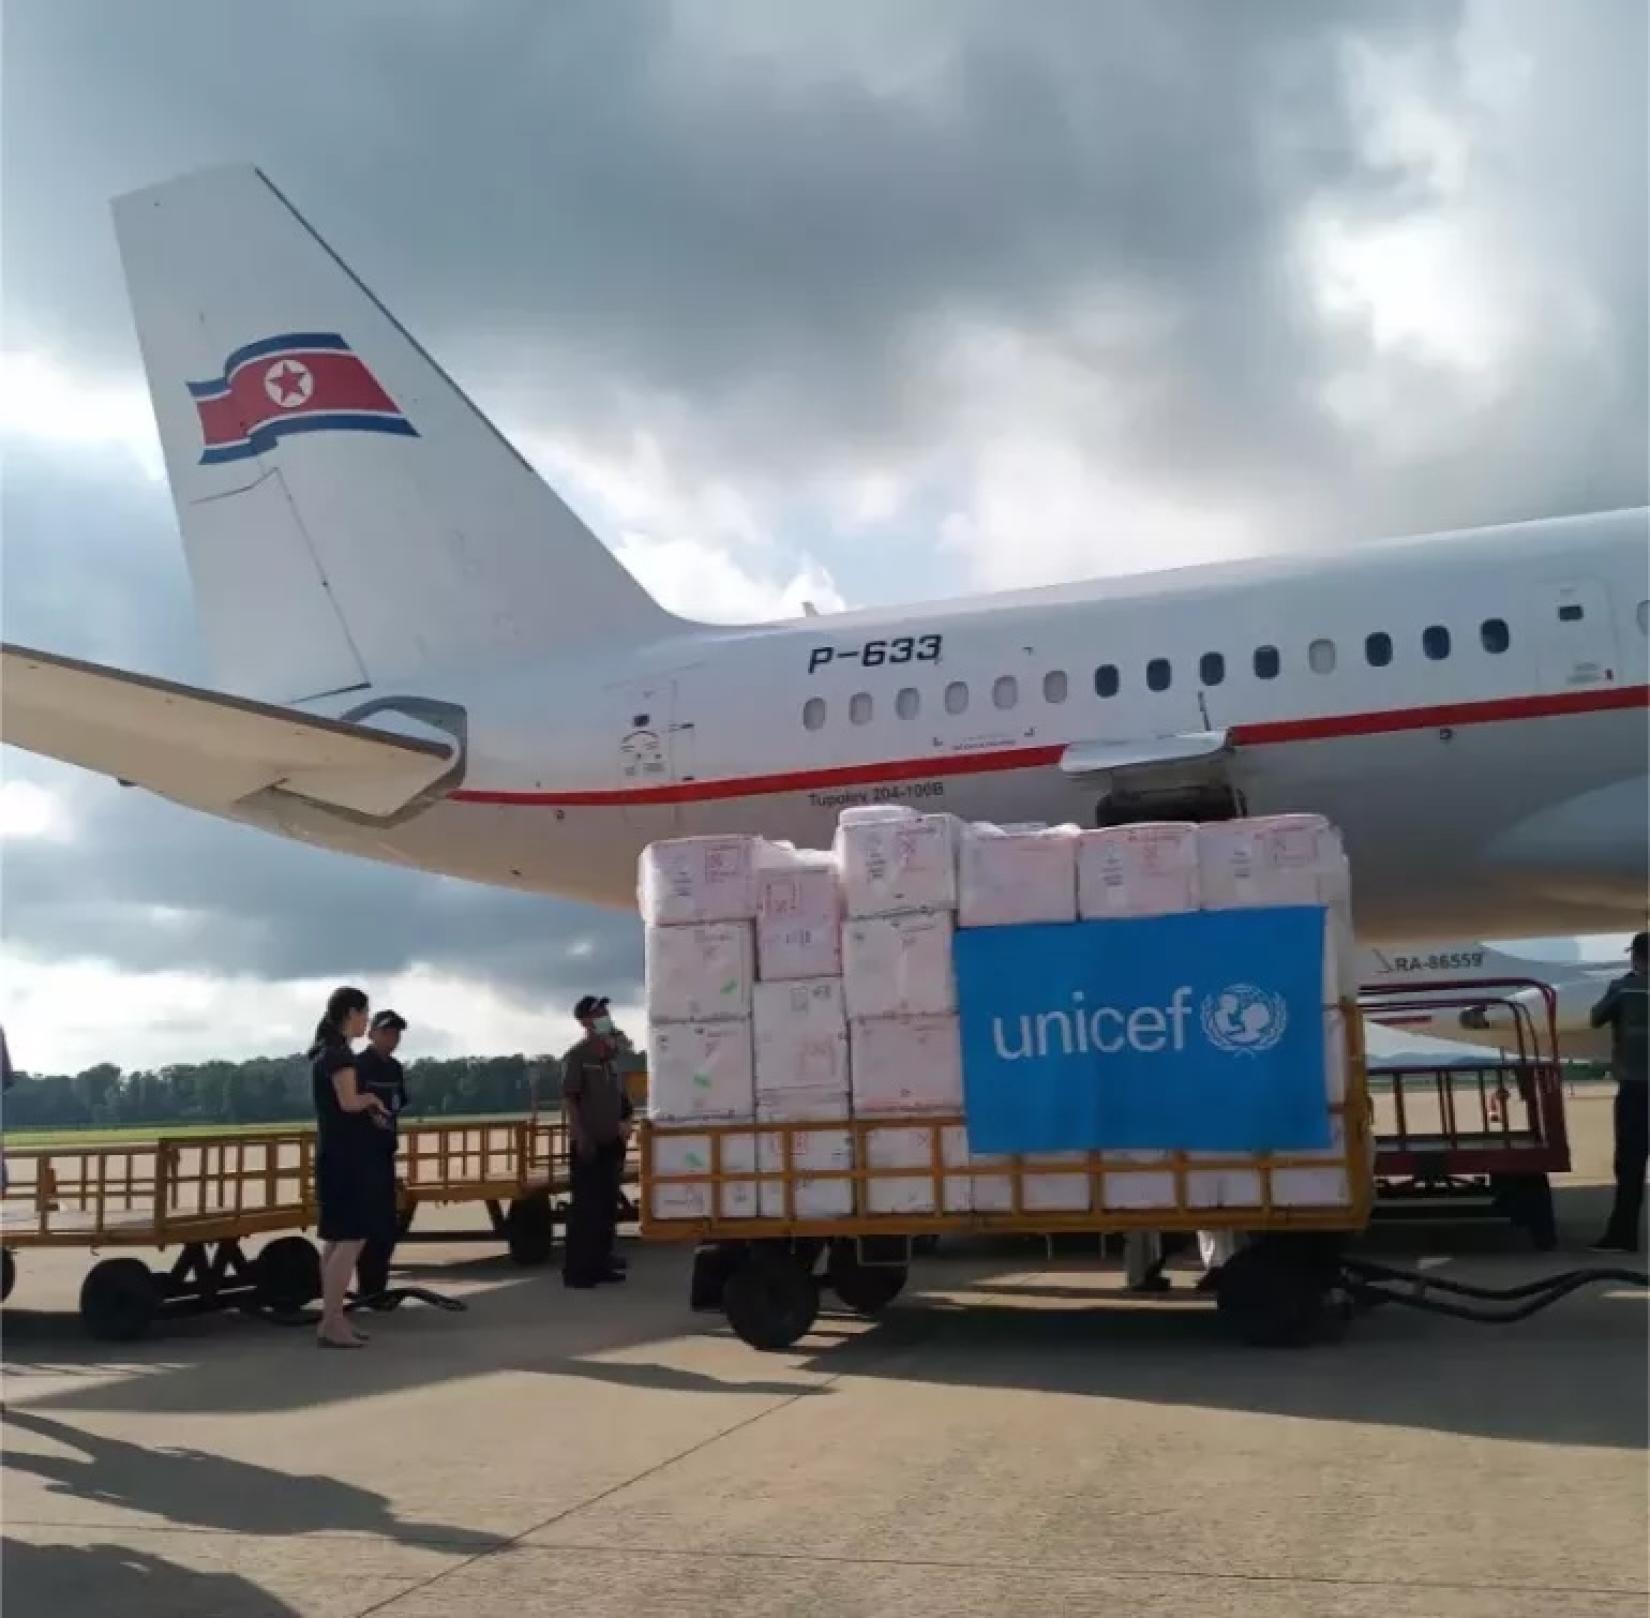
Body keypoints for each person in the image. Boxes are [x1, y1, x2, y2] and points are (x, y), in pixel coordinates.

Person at [308, 986, 392, 1346]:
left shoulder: (325, 1052)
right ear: (349, 1013)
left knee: (336, 1239)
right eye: (364, 1014)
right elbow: (348, 1102)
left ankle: (331, 1319)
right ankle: (333, 1320)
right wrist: (373, 1099)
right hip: (346, 1158)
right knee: (352, 1237)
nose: (366, 1021)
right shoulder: (338, 1056)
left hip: (334, 1154)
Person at [559, 995, 634, 1289]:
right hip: (589, 1143)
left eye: (606, 1010)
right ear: (585, 1021)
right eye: (599, 1012)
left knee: (606, 1207)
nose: (605, 1015)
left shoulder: (610, 1058)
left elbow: (621, 1096)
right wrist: (581, 1135)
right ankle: (578, 1271)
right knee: (586, 1209)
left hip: (612, 1141)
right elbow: (570, 1098)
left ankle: (601, 1263)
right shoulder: (577, 1056)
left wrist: (626, 1120)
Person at [1589, 931, 1648, 1254]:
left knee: (1630, 1166)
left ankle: (1624, 1236)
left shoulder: (1623, 987)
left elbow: (1596, 1017)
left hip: (1636, 1089)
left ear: (1635, 956)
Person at [353, 1010, 409, 1301]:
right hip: (362, 1157)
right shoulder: (359, 1066)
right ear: (372, 1033)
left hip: (385, 1153)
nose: (392, 1038)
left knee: (387, 1225)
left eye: (397, 1033)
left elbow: (399, 1104)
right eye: (386, 1032)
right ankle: (368, 1289)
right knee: (368, 1227)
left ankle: (377, 1289)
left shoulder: (395, 1068)